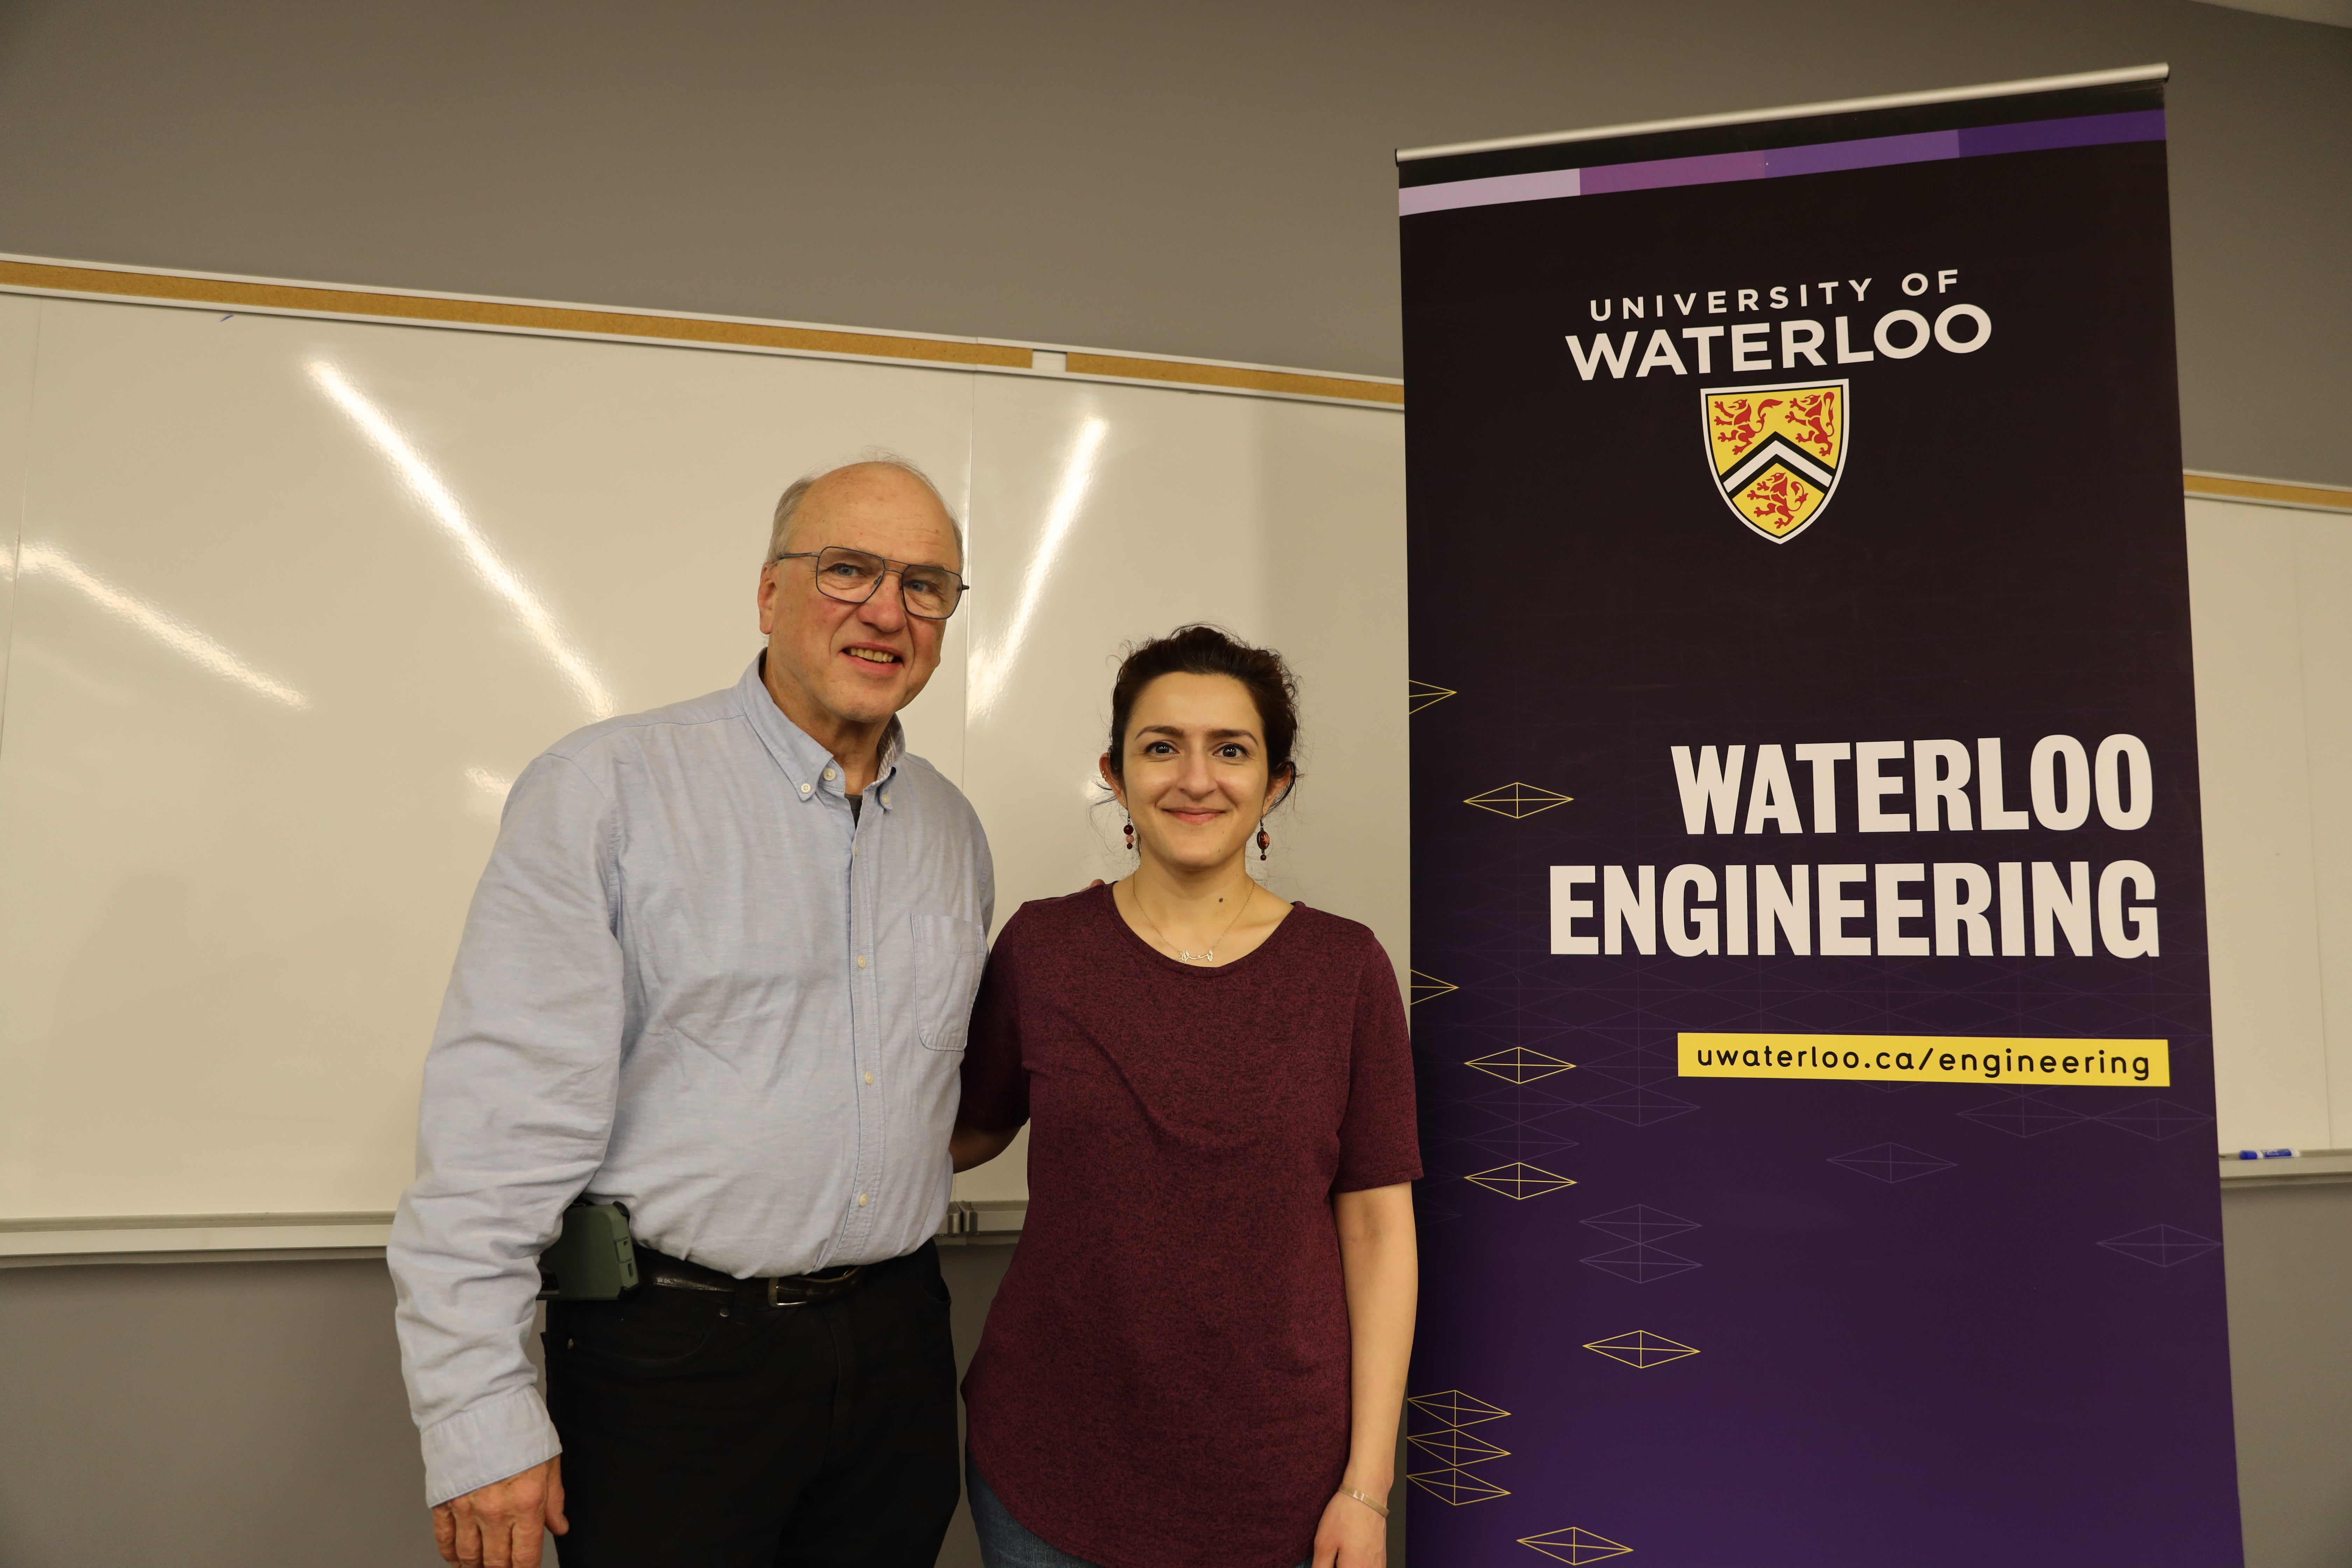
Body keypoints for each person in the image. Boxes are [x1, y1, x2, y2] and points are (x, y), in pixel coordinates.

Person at [388, 457, 993, 1568]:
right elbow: (498, 1125)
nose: (885, 611)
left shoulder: (952, 833)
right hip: (674, 1363)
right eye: (848, 569)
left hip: (898, 1353)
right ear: (770, 594)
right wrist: (477, 1413)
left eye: (925, 584)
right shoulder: (609, 789)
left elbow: (919, 1094)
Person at [951, 624, 1420, 1568]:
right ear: (1116, 776)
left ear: (1276, 783)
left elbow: (1377, 1234)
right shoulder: (1043, 951)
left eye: (1231, 750)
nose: (1195, 779)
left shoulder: (1346, 969)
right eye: (1161, 747)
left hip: (1278, 1480)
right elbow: (964, 1135)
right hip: (1051, 1466)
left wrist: (1366, 1488)